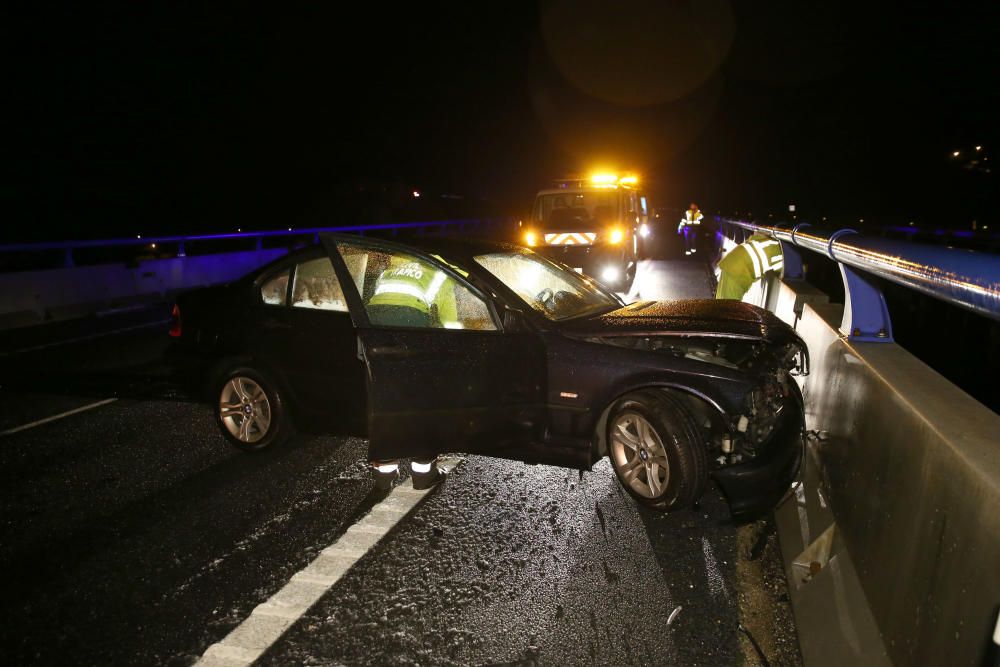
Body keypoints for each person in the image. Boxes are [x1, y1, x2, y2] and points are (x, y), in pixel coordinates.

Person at [366, 255, 460, 490]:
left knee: (387, 400)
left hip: (372, 324)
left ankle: (384, 476)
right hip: (409, 321)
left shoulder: (393, 269)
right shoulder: (441, 274)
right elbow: (451, 325)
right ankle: (423, 475)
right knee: (422, 401)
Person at [715, 232, 784, 301]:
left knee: (723, 306)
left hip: (735, 262)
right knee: (727, 308)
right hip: (739, 267)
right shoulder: (778, 252)